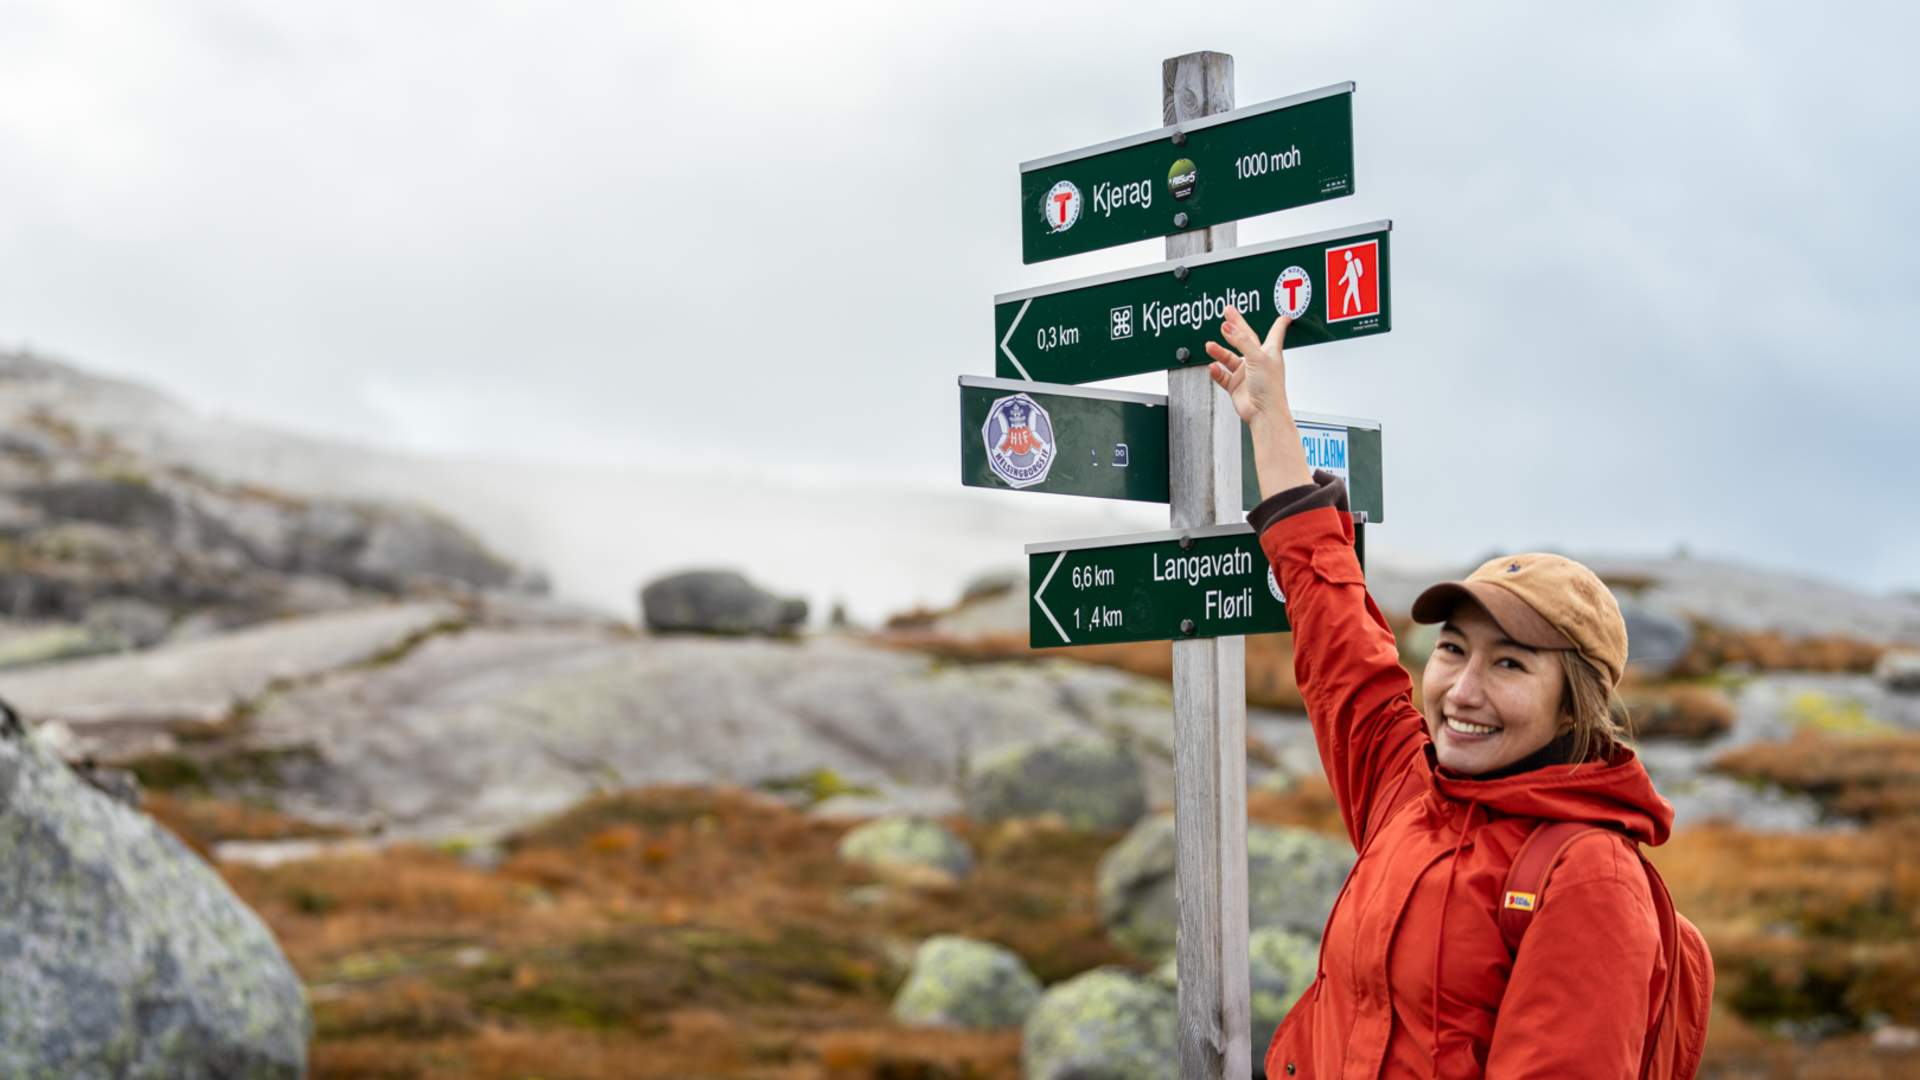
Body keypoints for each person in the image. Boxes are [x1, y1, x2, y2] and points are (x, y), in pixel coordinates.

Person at [1207, 306, 1680, 1079]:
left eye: (1510, 665)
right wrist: (1271, 421)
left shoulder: (1588, 878)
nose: (1462, 691)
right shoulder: (1410, 790)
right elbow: (1340, 644)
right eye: (1453, 651)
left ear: (1576, 704)